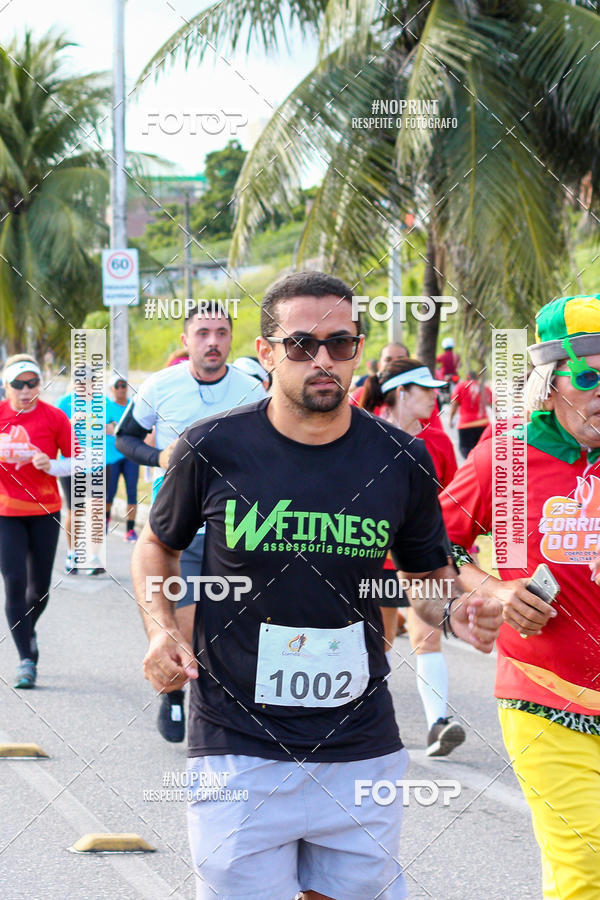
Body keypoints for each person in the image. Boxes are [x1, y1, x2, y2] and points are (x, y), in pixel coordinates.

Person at [131, 271, 502, 899]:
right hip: (236, 738)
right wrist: (162, 629)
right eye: (302, 345)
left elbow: (426, 573)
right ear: (268, 352)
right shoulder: (214, 446)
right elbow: (156, 547)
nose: (323, 360)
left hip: (360, 741)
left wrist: (454, 614)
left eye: (341, 342)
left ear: (358, 348)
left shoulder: (400, 458)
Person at [439, 294, 600, 899]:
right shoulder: (506, 456)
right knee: (588, 866)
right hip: (545, 694)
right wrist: (493, 588)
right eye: (588, 376)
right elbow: (427, 544)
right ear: (547, 382)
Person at [116, 302, 267, 743]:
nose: (213, 341)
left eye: (221, 333)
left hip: (238, 527)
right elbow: (125, 437)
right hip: (178, 528)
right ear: (186, 341)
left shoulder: (254, 390)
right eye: (203, 333)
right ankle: (174, 694)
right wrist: (159, 456)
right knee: (183, 620)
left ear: (231, 339)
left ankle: (230, 708)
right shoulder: (161, 386)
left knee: (234, 621)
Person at [360, 357, 464, 755]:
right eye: (427, 390)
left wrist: (459, 555)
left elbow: (452, 502)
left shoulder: (436, 441)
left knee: (427, 636)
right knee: (377, 642)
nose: (435, 398)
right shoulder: (359, 435)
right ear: (402, 392)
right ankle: (360, 722)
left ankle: (438, 724)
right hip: (373, 562)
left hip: (423, 563)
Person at [0, 354, 73, 688]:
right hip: (5, 513)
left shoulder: (55, 417)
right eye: (19, 384)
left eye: (32, 383)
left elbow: (81, 461)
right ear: (6, 386)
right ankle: (26, 660)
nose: (26, 390)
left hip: (45, 510)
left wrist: (53, 465)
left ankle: (26, 629)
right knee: (14, 582)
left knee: (39, 590)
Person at [57, 369, 106, 575]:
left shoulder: (103, 402)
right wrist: (71, 423)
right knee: (75, 511)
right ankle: (72, 553)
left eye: (89, 382)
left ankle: (94, 557)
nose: (85, 387)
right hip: (71, 464)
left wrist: (109, 427)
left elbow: (118, 426)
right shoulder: (64, 403)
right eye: (81, 383)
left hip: (96, 463)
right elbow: (54, 433)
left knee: (96, 508)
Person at [105, 374, 139, 541]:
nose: (120, 389)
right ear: (112, 389)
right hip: (112, 457)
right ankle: (105, 519)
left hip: (131, 455)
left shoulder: (133, 406)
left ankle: (130, 530)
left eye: (123, 385)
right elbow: (104, 428)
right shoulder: (107, 407)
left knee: (132, 492)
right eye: (117, 386)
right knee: (110, 492)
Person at [449, 369, 492, 457]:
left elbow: (454, 405)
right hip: (483, 424)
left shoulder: (461, 386)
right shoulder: (483, 387)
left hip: (465, 424)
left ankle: (470, 468)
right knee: (482, 451)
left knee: (466, 451)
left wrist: (451, 419)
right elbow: (493, 404)